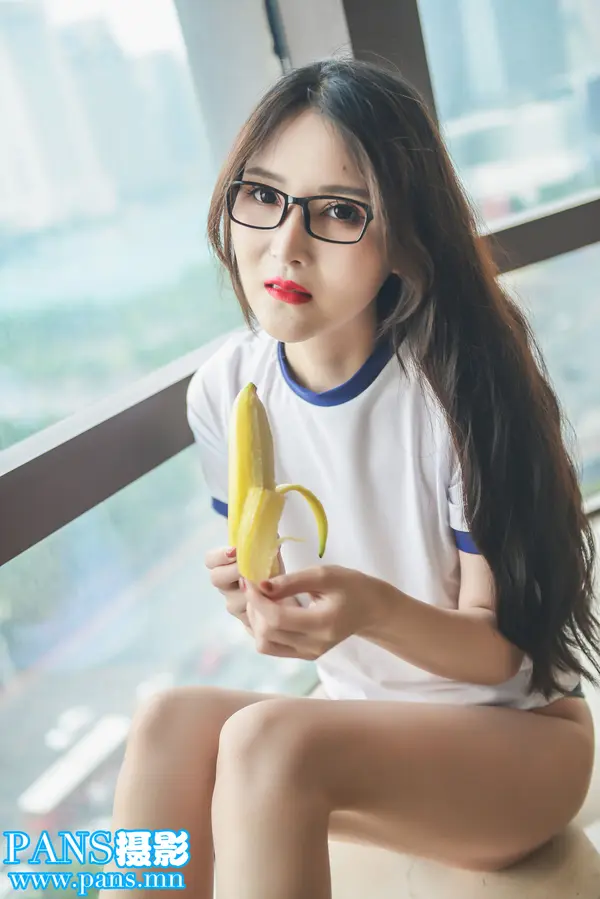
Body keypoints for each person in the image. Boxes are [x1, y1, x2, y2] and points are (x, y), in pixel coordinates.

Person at [99, 57, 599, 899]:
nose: (285, 244)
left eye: (338, 211)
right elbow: (273, 592)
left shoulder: (458, 396)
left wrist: (369, 609)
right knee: (166, 723)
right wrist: (255, 601)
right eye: (264, 195)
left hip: (519, 748)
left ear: (403, 237)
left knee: (269, 739)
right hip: (368, 729)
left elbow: (504, 656)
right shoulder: (226, 390)